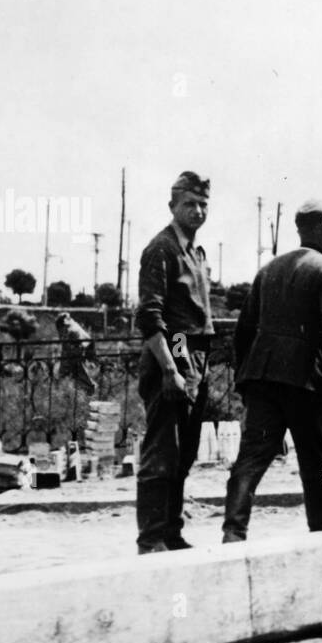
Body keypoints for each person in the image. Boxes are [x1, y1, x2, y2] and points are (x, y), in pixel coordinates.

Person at [222, 200, 322, 540]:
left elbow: (243, 331)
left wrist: (246, 376)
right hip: (306, 383)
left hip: (263, 378)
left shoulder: (268, 269)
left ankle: (233, 531)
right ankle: (321, 525)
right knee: (319, 462)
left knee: (251, 458)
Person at [134, 171, 215, 553]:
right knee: (161, 454)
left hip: (195, 358)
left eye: (203, 205)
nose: (197, 211)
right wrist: (170, 369)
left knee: (183, 455)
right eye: (190, 204)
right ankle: (150, 538)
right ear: (172, 207)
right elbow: (150, 317)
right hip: (173, 357)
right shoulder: (161, 249)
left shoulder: (195, 253)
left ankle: (170, 531)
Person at [54, 312, 98, 394]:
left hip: (75, 353)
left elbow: (80, 343)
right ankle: (62, 391)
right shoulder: (71, 326)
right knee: (70, 373)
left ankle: (90, 389)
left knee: (77, 371)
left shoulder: (71, 329)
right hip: (74, 353)